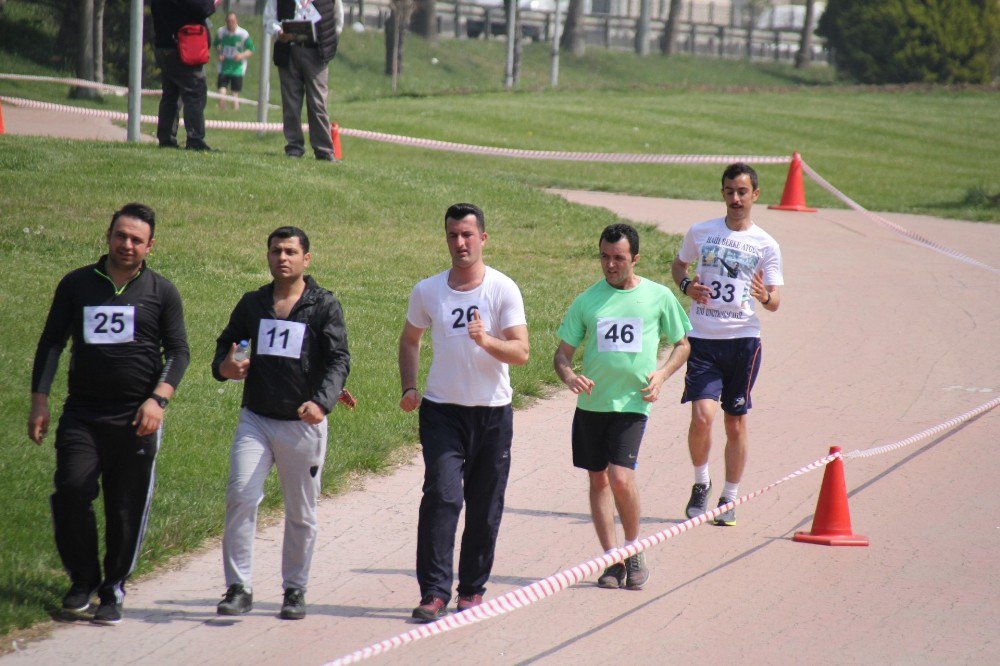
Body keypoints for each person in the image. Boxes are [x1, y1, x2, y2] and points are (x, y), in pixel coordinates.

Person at [28, 203, 190, 625]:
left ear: (150, 246)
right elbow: (51, 343)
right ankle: (82, 580)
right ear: (108, 235)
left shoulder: (161, 292)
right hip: (82, 414)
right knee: (71, 490)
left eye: (137, 239)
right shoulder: (78, 284)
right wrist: (39, 400)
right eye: (121, 235)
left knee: (124, 508)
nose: (127, 245)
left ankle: (113, 586)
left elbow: (179, 352)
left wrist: (158, 400)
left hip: (136, 419)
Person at [398, 203, 529, 621]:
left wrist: (486, 341)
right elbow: (410, 340)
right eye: (453, 235)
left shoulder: (502, 288)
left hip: (492, 413)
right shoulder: (428, 290)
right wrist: (410, 387)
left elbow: (522, 352)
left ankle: (471, 589)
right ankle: (434, 592)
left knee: (485, 504)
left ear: (483, 239)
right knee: (442, 497)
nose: (460, 243)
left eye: (468, 235)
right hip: (441, 411)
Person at [212, 226, 350, 620]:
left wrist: (322, 404)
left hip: (302, 424)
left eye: (291, 251)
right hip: (255, 418)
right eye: (276, 251)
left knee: (301, 512)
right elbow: (227, 345)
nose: (282, 258)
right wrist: (225, 366)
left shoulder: (323, 305)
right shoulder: (253, 303)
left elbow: (339, 359)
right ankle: (238, 588)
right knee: (240, 496)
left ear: (307, 259)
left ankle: (295, 589)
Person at [554, 223, 690, 591]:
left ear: (635, 259)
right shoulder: (587, 300)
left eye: (618, 258)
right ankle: (610, 559)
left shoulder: (659, 296)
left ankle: (635, 549)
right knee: (597, 479)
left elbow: (682, 345)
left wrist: (661, 375)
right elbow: (562, 355)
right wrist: (570, 378)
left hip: (632, 404)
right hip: (591, 406)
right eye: (604, 257)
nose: (610, 265)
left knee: (620, 478)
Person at [671, 163, 784, 526]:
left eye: (742, 192)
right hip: (703, 339)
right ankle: (701, 483)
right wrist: (687, 286)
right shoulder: (700, 231)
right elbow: (678, 266)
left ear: (755, 195)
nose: (736, 199)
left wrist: (765, 295)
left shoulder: (766, 244)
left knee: (735, 423)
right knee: (702, 417)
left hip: (743, 342)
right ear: (722, 193)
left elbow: (776, 301)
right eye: (729, 191)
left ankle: (729, 496)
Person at [264, 0, 344, 161]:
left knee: (318, 102)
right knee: (291, 102)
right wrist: (279, 32)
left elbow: (338, 21)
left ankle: (324, 150)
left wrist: (325, 39)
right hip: (288, 50)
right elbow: (268, 19)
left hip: (316, 52)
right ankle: (294, 147)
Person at [151, 0, 216, 151]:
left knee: (171, 94)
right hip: (182, 46)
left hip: (163, 45)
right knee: (195, 93)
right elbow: (203, 8)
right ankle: (195, 139)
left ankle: (166, 138)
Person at [215, 12, 255, 111]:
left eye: (233, 21)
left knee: (235, 92)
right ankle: (222, 108)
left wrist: (241, 55)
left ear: (236, 21)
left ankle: (235, 109)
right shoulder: (221, 32)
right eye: (228, 21)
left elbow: (251, 49)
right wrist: (219, 53)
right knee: (222, 88)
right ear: (226, 22)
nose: (231, 23)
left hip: (238, 67)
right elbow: (216, 44)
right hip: (224, 66)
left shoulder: (243, 33)